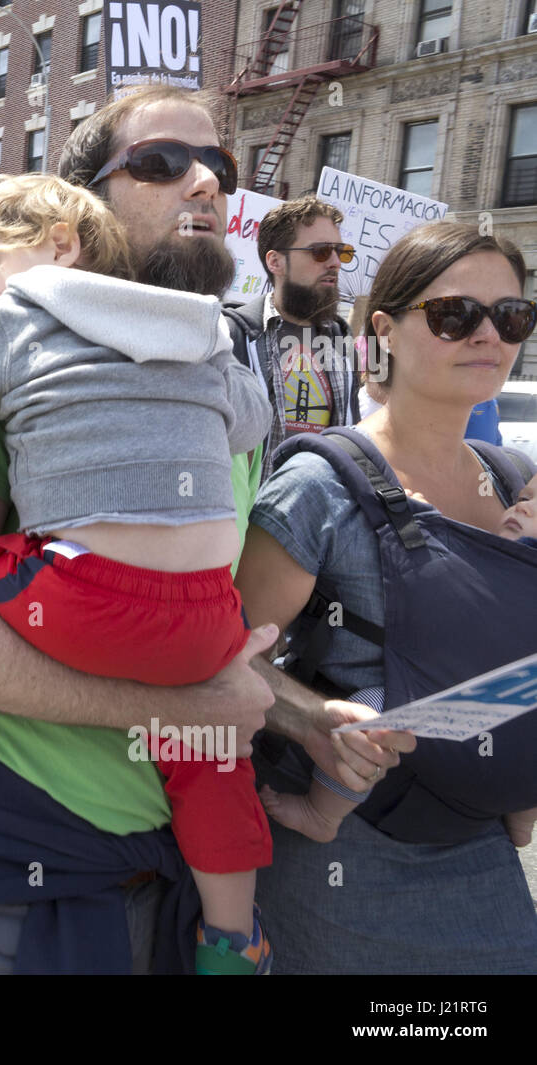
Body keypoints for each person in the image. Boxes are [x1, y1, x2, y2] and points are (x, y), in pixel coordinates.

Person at [0, 84, 276, 975]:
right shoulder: (6, 370)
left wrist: (309, 720)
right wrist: (193, 713)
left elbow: (225, 647)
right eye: (161, 163)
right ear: (88, 207)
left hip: (163, 881)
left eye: (220, 167)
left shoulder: (213, 372)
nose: (205, 183)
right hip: (10, 880)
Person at [235, 221, 537, 973]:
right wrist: (313, 719)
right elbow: (223, 657)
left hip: (486, 840)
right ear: (384, 331)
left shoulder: (514, 480)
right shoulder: (317, 486)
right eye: (454, 314)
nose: (488, 335)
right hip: (355, 851)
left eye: (512, 315)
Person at [260, 470, 537, 844]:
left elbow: (446, 580)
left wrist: (419, 519)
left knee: (369, 718)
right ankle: (521, 823)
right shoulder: (497, 557)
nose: (524, 507)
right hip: (495, 715)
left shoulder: (509, 571)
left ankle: (321, 813)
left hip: (454, 703)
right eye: (524, 497)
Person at [222, 196, 361, 477]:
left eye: (341, 252)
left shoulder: (341, 341)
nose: (335, 262)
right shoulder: (233, 335)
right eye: (320, 252)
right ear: (276, 261)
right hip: (248, 513)